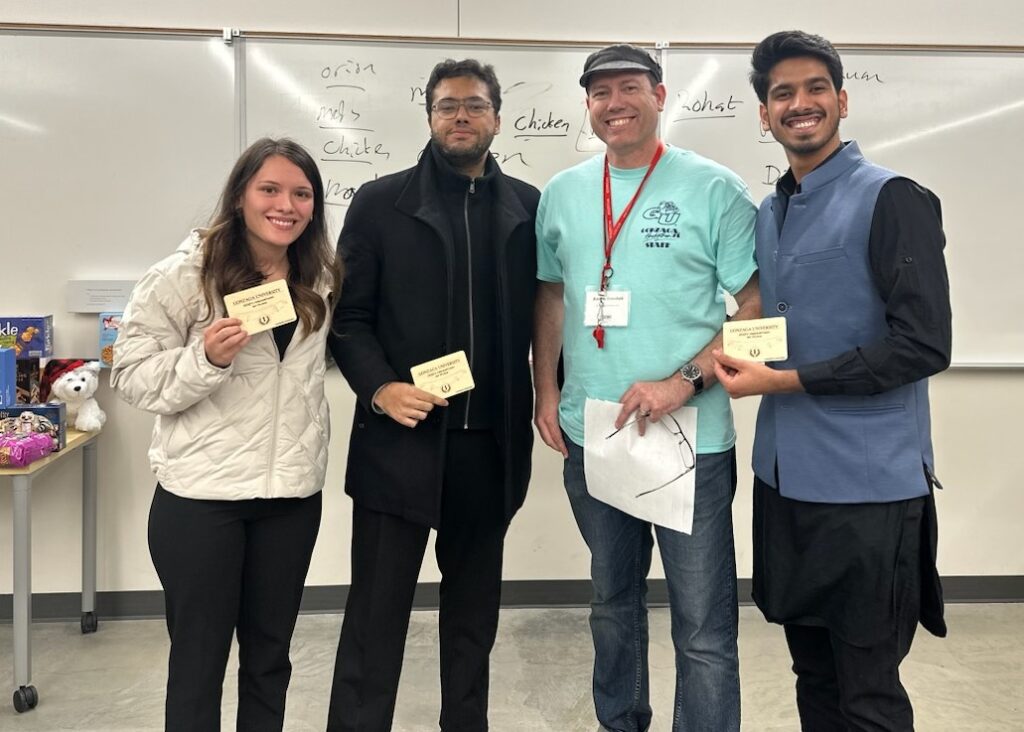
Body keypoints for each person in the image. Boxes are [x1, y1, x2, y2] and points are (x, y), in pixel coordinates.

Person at [712, 30, 951, 732]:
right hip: (786, 481)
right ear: (764, 114)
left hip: (868, 489)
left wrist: (784, 385)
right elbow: (776, 323)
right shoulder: (770, 211)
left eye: (815, 88)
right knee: (811, 671)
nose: (800, 103)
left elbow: (923, 345)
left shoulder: (893, 199)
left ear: (842, 100)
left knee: (868, 690)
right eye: (781, 93)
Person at [533, 44, 761, 732]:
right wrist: (546, 391)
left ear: (661, 96)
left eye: (629, 87)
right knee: (612, 608)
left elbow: (756, 309)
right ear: (588, 107)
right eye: (600, 93)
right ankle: (621, 722)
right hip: (593, 432)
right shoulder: (564, 194)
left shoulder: (715, 188)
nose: (615, 103)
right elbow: (551, 296)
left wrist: (683, 382)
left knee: (702, 626)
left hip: (691, 439)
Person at [326, 58, 539, 731]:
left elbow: (550, 315)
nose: (461, 117)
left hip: (491, 450)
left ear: (496, 118)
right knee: (374, 619)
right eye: (447, 105)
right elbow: (348, 322)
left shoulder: (530, 208)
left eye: (475, 105)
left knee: (474, 620)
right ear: (429, 117)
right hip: (401, 445)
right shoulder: (378, 202)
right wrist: (381, 387)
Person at [111, 138, 341, 731]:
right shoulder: (183, 274)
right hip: (201, 503)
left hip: (290, 498)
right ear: (240, 196)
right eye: (269, 189)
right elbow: (131, 376)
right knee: (198, 661)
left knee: (270, 659)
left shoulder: (321, 276)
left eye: (301, 193)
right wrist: (204, 360)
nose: (285, 204)